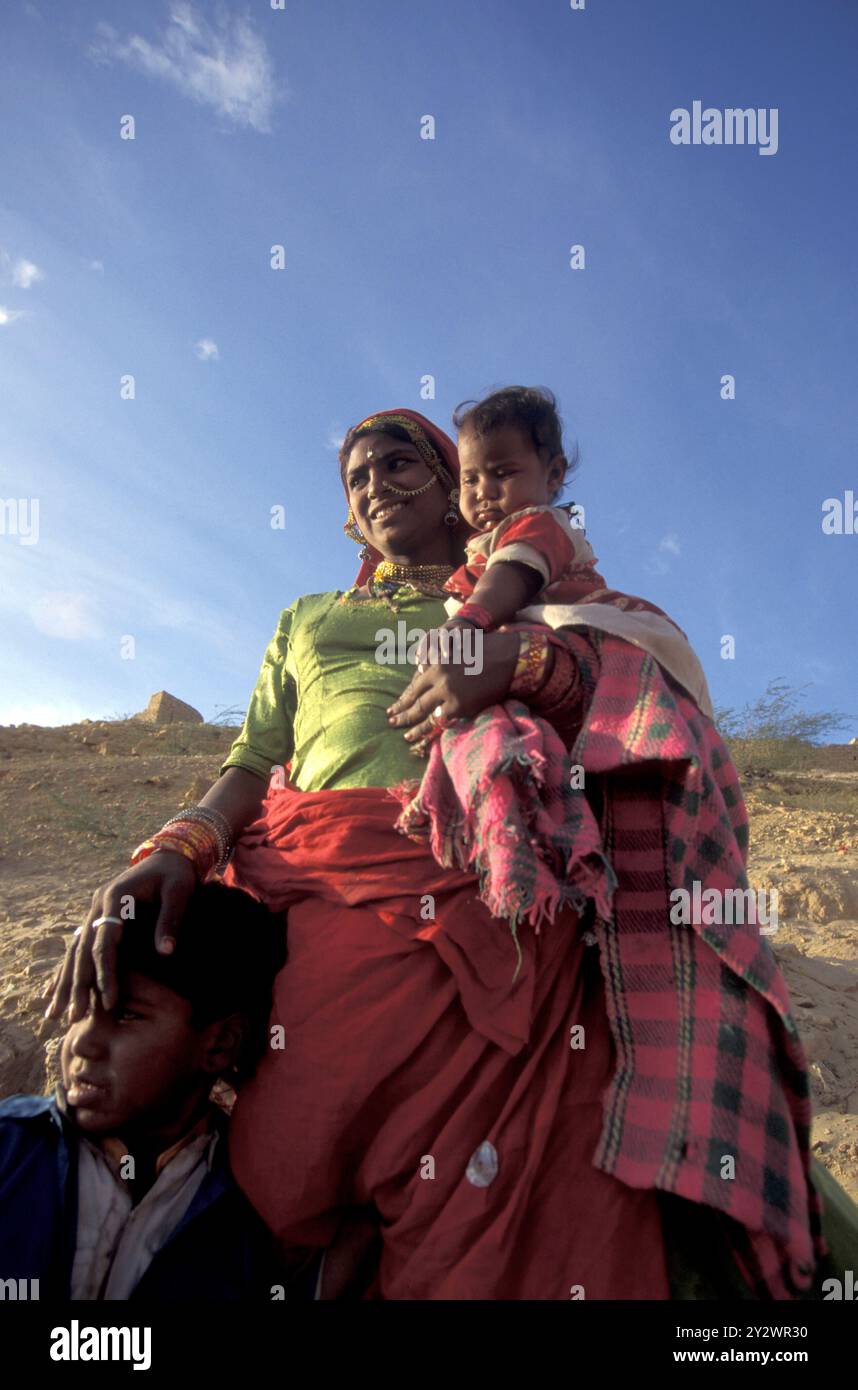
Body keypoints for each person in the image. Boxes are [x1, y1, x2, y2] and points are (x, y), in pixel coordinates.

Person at [47, 404, 836, 1299]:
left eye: (398, 465)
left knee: (542, 1176)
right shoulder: (307, 619)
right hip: (324, 874)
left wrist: (513, 665)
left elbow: (631, 682)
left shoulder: (513, 591)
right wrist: (178, 846)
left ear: (452, 484)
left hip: (495, 877)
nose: (375, 487)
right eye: (357, 479)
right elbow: (251, 761)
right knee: (281, 1164)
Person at [5, 882, 318, 1300]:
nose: (81, 1043)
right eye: (82, 1010)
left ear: (220, 1044)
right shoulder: (11, 1149)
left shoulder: (251, 1211)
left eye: (127, 1016)